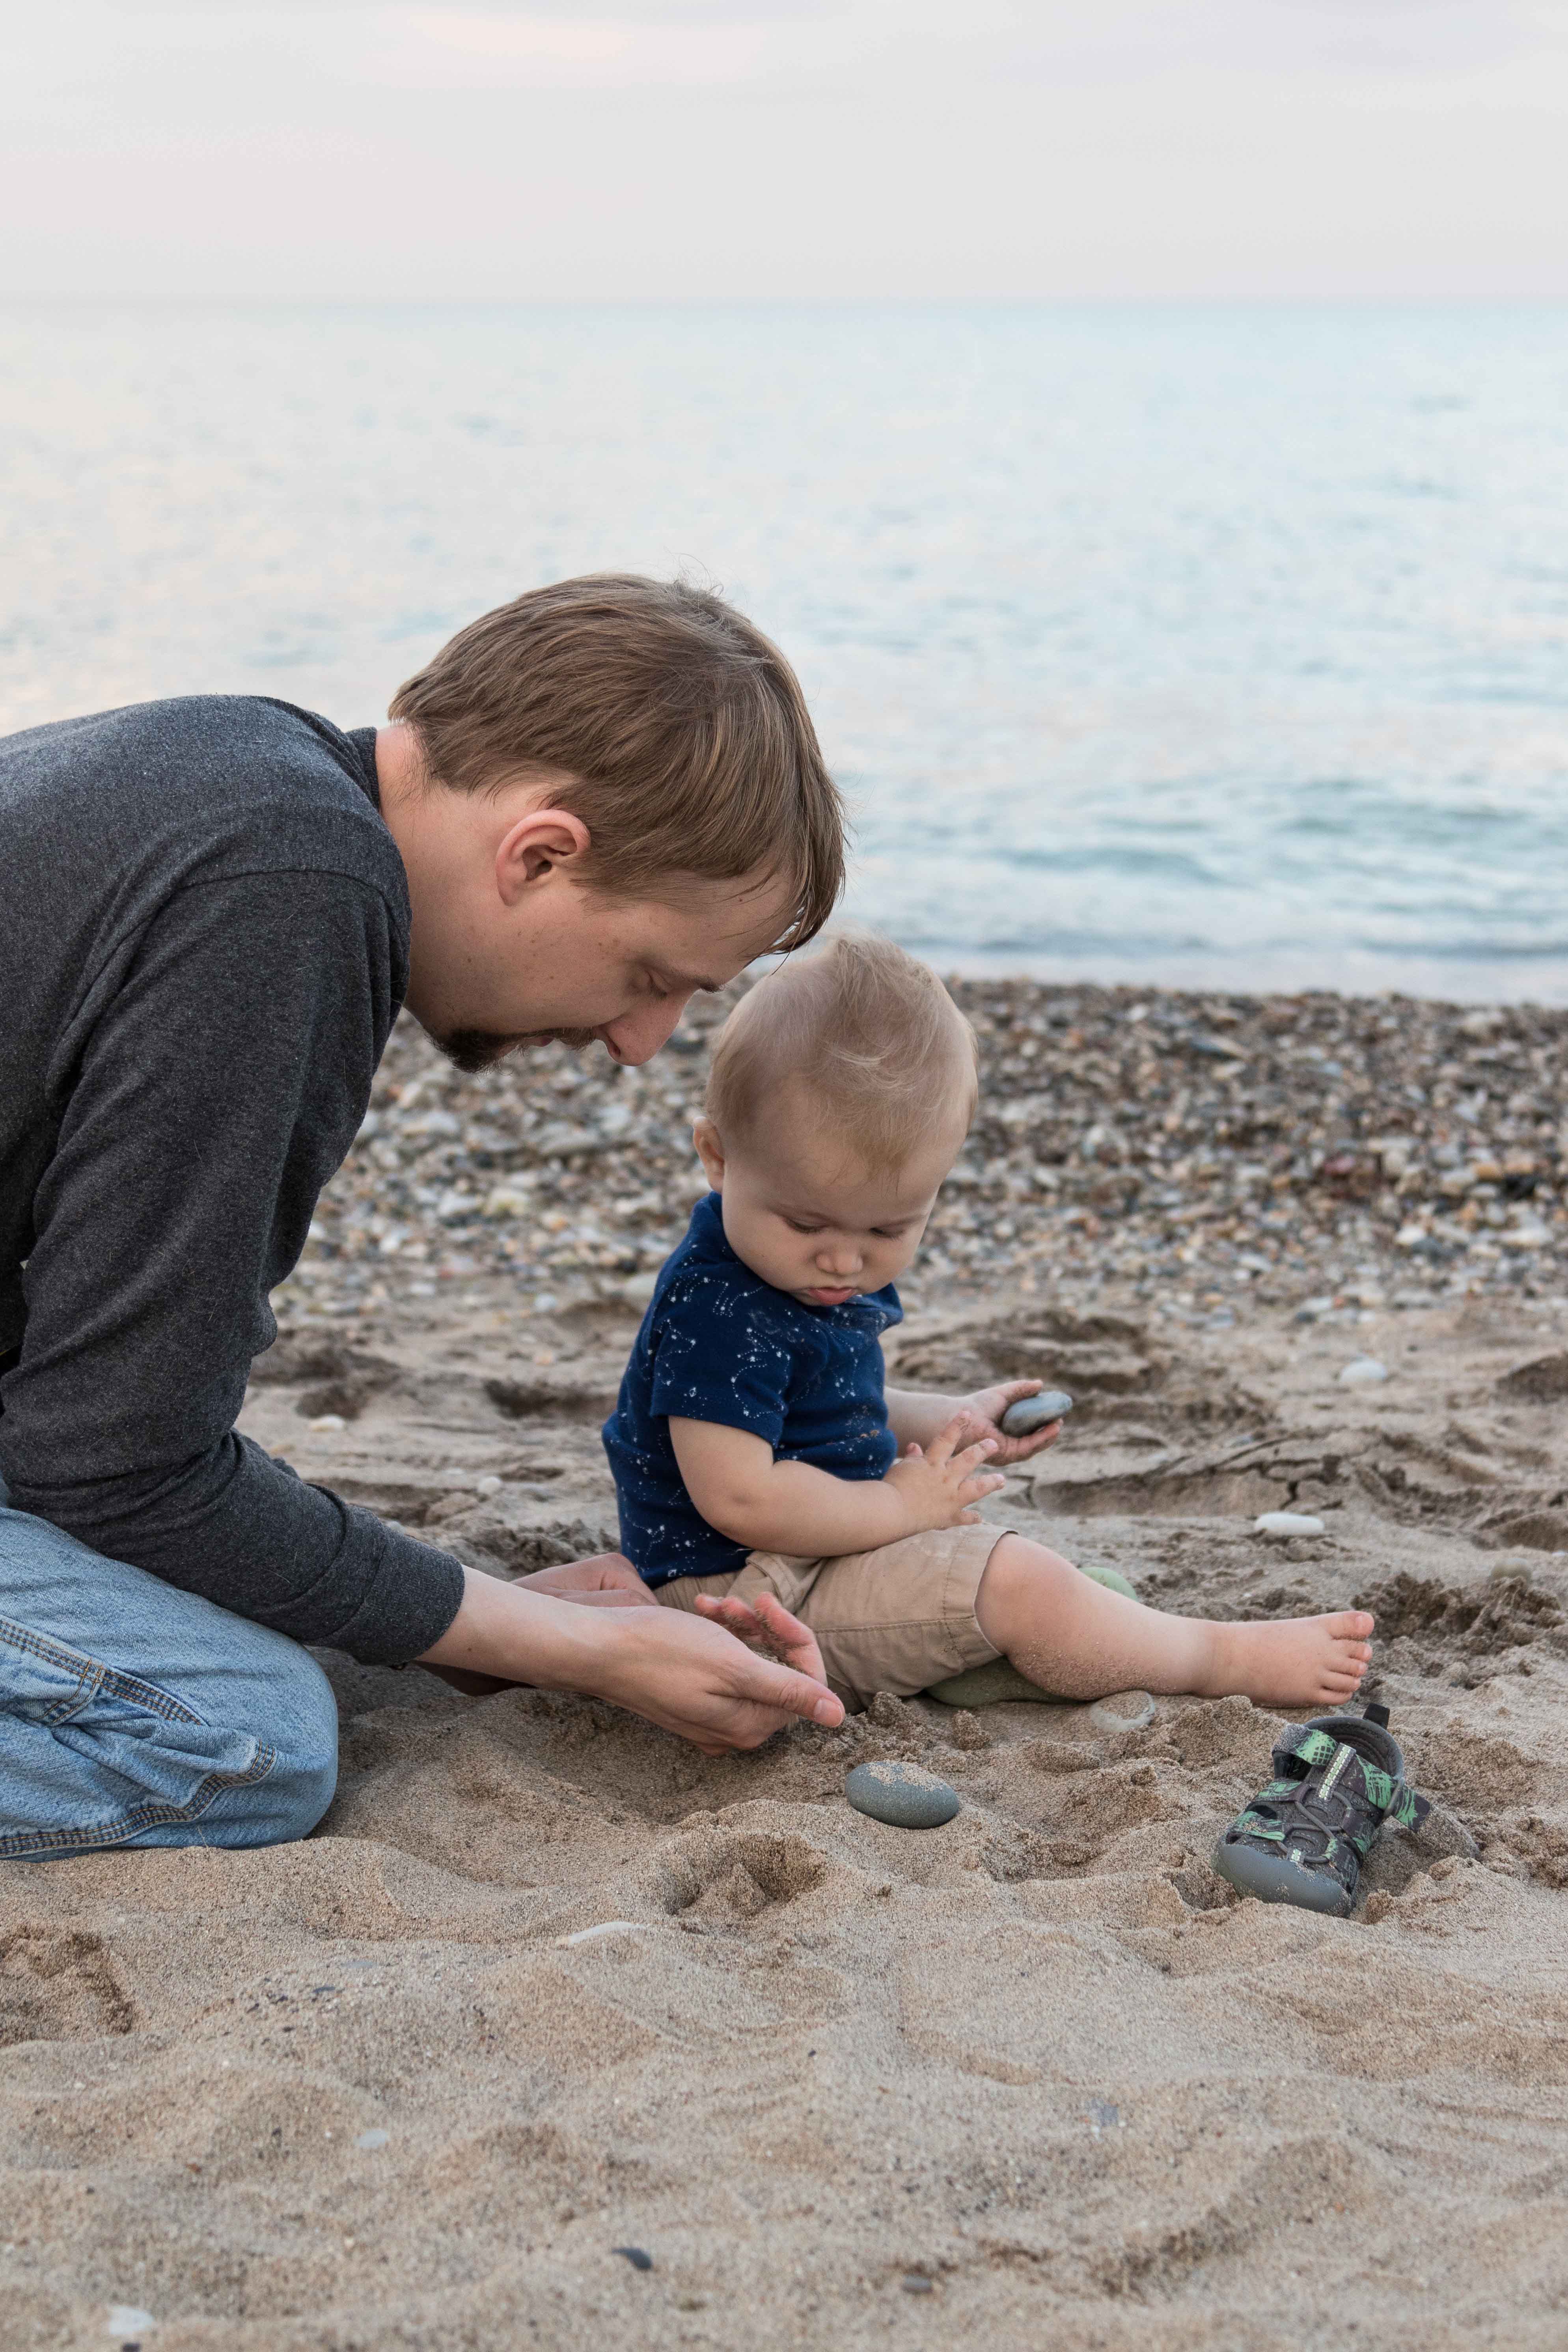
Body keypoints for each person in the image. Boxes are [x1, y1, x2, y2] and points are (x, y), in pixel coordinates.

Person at [0, 575, 850, 1863]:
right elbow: (120, 1465)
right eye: (650, 976)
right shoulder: (290, 890)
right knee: (242, 1736)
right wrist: (561, 1641)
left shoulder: (243, 765)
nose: (637, 1043)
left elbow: (76, 1412)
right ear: (539, 853)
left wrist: (466, 1608)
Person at [603, 932, 1376, 1713]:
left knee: (1021, 1579)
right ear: (718, 1156)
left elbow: (811, 1403)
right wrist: (901, 1509)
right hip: (741, 1597)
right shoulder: (721, 1310)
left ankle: (1038, 1651)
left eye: (886, 1232)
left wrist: (950, 1417)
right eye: (808, 1225)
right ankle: (1221, 1656)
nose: (842, 1263)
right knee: (1022, 1583)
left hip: (814, 1546)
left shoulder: (791, 1271)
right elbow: (740, 1497)